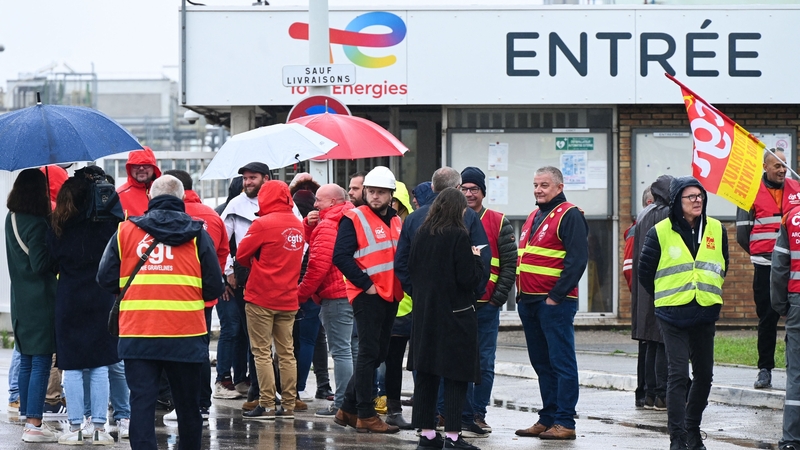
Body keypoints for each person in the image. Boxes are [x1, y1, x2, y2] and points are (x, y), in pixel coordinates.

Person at [97, 175, 225, 450]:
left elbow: (105, 278)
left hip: (138, 331)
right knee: (188, 406)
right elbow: (214, 285)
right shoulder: (197, 234)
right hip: (186, 333)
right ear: (181, 201)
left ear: (150, 199)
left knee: (142, 402)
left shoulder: (125, 232)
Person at [395, 167, 490, 437]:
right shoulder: (460, 234)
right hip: (456, 314)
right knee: (456, 376)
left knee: (426, 374)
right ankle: (452, 435)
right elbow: (469, 278)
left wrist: (421, 294)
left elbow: (405, 265)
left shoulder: (419, 229)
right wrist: (474, 258)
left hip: (425, 312)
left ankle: (426, 434)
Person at [638, 176, 728, 450]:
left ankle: (692, 429)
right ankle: (677, 437)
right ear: (678, 201)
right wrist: (667, 297)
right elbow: (645, 273)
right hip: (672, 314)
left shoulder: (716, 229)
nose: (697, 200)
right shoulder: (660, 231)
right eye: (691, 196)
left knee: (704, 375)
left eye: (700, 195)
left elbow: (721, 264)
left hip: (704, 312)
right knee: (677, 375)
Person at [47, 167, 123, 445]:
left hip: (69, 297)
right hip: (101, 295)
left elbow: (51, 258)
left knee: (74, 367)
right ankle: (100, 427)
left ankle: (76, 425)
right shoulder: (107, 223)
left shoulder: (58, 222)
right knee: (100, 364)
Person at [514, 166, 588, 441]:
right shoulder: (534, 215)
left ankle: (565, 421)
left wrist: (555, 297)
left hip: (555, 303)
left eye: (544, 185)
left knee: (561, 362)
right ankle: (548, 418)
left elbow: (577, 260)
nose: (538, 190)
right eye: (535, 185)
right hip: (530, 301)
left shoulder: (570, 215)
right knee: (542, 364)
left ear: (559, 186)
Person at [332, 166, 404, 433]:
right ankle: (365, 414)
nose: (375, 196)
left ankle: (347, 409)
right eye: (371, 191)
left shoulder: (396, 221)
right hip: (368, 294)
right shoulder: (354, 217)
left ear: (390, 195)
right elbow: (340, 256)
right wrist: (366, 284)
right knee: (368, 352)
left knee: (378, 352)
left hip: (391, 294)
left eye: (381, 192)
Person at [163, 169, 230, 421]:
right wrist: (212, 281)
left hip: (172, 293)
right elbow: (221, 252)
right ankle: (201, 402)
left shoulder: (167, 217)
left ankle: (176, 401)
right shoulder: (212, 215)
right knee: (199, 349)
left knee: (169, 349)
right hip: (204, 295)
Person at [237, 180, 304, 420]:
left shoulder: (262, 224)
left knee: (261, 352)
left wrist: (256, 264)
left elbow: (241, 254)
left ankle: (265, 404)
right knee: (287, 353)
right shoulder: (298, 224)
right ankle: (288, 406)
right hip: (288, 298)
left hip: (261, 297)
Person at [736, 148, 800, 389]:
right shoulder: (750, 193)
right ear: (765, 167)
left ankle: (793, 368)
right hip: (764, 266)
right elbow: (743, 234)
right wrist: (761, 254)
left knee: (795, 318)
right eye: (777, 166)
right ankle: (765, 369)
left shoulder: (797, 189)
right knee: (767, 319)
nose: (783, 169)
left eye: (785, 165)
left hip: (793, 266)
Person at [459, 166, 517, 432]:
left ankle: (478, 413)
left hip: (486, 305)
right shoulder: (454, 219)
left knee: (484, 361)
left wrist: (497, 298)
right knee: (459, 360)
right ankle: (459, 412)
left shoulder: (498, 221)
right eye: (465, 189)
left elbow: (509, 264)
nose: (469, 194)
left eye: (474, 189)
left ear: (483, 193)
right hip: (459, 304)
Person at [5, 169, 59, 443]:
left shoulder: (10, 218)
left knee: (26, 359)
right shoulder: (38, 224)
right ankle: (35, 424)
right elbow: (40, 264)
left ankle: (27, 414)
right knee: (40, 360)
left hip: (20, 299)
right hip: (41, 299)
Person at [296, 184, 358, 419]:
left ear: (332, 202)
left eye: (319, 200)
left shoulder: (328, 225)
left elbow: (317, 266)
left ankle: (342, 404)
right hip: (354, 292)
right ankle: (355, 400)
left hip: (335, 295)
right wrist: (308, 225)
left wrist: (300, 295)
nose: (315, 205)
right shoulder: (351, 217)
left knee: (341, 351)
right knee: (353, 349)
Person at [220, 162, 271, 407]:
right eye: (246, 178)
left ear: (266, 178)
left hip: (275, 279)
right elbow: (221, 240)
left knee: (277, 340)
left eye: (253, 178)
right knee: (253, 335)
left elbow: (298, 238)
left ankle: (274, 390)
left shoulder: (284, 203)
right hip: (247, 278)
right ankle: (255, 389)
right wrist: (229, 271)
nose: (248, 182)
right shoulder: (235, 205)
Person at [631, 180, 670, 412]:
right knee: (662, 341)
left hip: (645, 289)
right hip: (663, 287)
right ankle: (661, 395)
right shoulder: (666, 214)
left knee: (650, 343)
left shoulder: (644, 215)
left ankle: (648, 394)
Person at [379, 180, 415, 429]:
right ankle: (387, 406)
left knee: (400, 362)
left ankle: (396, 408)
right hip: (385, 302)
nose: (391, 206)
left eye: (394, 202)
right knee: (381, 359)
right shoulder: (376, 224)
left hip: (408, 304)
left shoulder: (412, 225)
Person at [214, 176, 250, 399]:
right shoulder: (222, 213)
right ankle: (223, 378)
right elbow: (217, 249)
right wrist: (222, 278)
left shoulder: (255, 213)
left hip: (244, 280)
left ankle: (240, 377)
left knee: (245, 331)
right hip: (226, 281)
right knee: (231, 328)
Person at [771, 204, 800, 450]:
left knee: (797, 373)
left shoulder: (792, 218)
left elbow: (779, 266)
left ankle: (792, 439)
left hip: (797, 302)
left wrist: (781, 305)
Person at [116, 146, 162, 218]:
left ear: (154, 168)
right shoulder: (119, 195)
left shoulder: (163, 192)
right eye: (136, 165)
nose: (141, 168)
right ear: (129, 168)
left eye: (146, 165)